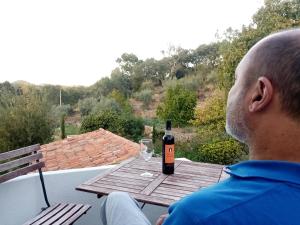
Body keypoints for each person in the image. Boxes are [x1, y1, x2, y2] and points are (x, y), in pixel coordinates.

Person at [100, 28, 300, 225]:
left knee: (116, 199)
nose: (230, 92)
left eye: (236, 80)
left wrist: (184, 218)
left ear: (259, 94)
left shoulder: (200, 214)